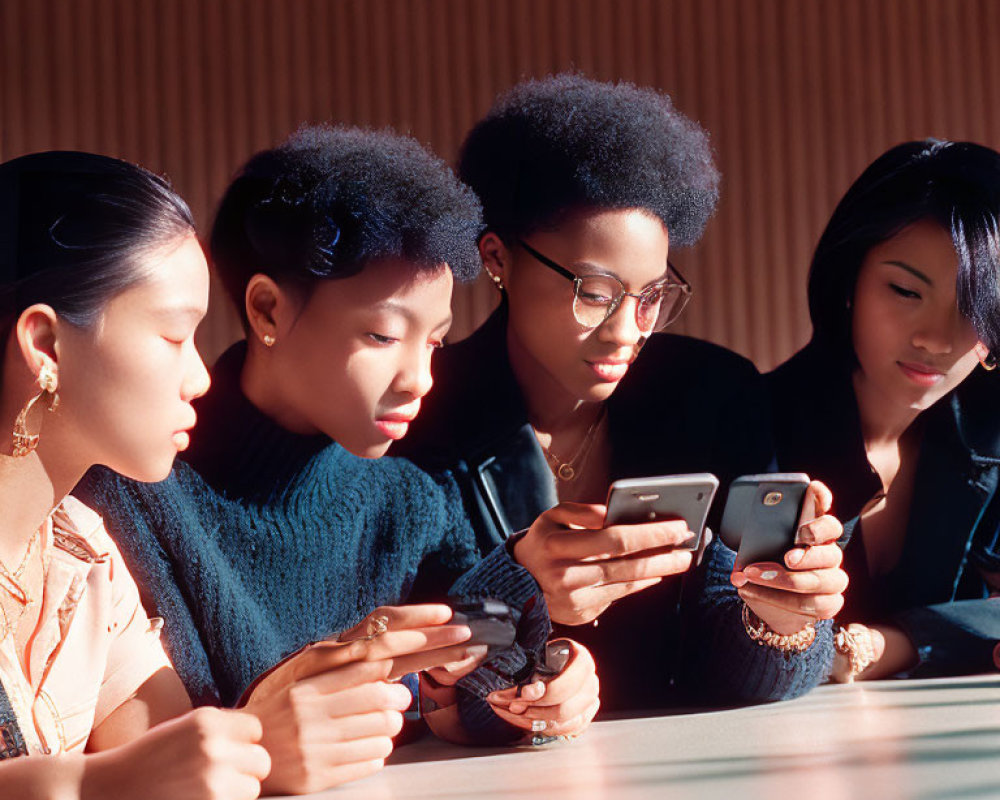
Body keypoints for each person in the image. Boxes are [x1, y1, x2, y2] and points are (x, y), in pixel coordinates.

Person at [77, 125, 599, 794]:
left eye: (434, 343)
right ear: (266, 309)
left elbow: (471, 697)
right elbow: (156, 753)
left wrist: (548, 680)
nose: (419, 379)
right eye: (382, 334)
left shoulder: (411, 499)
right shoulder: (133, 491)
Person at [396, 73, 848, 710]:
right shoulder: (420, 416)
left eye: (650, 297)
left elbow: (735, 673)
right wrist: (521, 594)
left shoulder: (714, 395)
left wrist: (785, 620)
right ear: (497, 258)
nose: (625, 334)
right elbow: (401, 661)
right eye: (596, 293)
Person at [0, 150, 271, 799]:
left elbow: (165, 750)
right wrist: (92, 786)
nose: (202, 377)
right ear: (45, 346)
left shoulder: (84, 549)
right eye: (176, 336)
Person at [737, 139, 1000, 685]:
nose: (935, 339)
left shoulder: (988, 434)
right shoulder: (747, 422)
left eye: (975, 308)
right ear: (848, 282)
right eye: (905, 291)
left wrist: (884, 645)